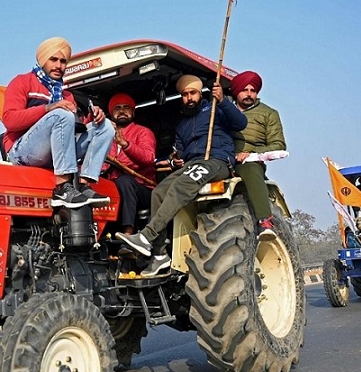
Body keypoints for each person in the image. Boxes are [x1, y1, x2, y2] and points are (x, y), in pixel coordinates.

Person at [117, 74, 247, 276]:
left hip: (217, 161)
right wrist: (176, 159)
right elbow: (182, 152)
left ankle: (147, 236)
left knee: (181, 185)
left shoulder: (215, 109)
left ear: (200, 93)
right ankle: (160, 255)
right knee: (158, 192)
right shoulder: (182, 124)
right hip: (192, 164)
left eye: (192, 93)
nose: (189, 98)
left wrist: (222, 101)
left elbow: (240, 123)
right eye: (185, 95)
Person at [2, 37, 115, 208]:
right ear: (42, 60)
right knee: (62, 114)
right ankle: (62, 188)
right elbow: (10, 121)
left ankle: (85, 185)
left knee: (105, 126)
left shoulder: (66, 95)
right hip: (22, 151)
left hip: (55, 154)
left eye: (63, 61)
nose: (58, 66)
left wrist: (94, 117)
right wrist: (49, 108)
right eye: (53, 60)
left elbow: (72, 131)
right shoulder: (23, 82)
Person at [228, 70, 285, 237]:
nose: (249, 94)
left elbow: (278, 145)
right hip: (223, 158)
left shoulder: (269, 113)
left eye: (253, 90)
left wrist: (250, 152)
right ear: (236, 91)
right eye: (245, 90)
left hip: (250, 162)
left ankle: (265, 220)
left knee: (251, 168)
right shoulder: (223, 111)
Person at [102, 92, 156, 234]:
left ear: (133, 112)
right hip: (114, 188)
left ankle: (128, 234)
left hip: (143, 189)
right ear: (111, 114)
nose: (122, 111)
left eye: (126, 107)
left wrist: (125, 145)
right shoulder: (106, 136)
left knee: (124, 181)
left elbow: (148, 157)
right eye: (117, 108)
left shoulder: (143, 132)